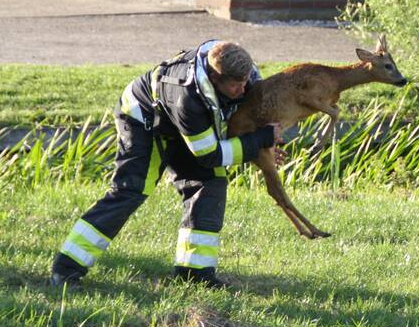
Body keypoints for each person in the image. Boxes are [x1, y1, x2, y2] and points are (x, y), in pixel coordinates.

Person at [50, 40, 282, 289]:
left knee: (209, 184)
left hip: (185, 128)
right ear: (215, 78)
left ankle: (194, 274)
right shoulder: (186, 97)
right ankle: (66, 269)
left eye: (245, 81)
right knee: (131, 190)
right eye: (236, 85)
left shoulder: (243, 73)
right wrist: (259, 140)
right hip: (144, 120)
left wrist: (262, 146)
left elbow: (240, 121)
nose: (243, 89)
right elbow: (209, 155)